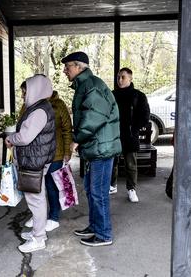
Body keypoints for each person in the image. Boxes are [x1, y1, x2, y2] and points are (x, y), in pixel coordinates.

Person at [62, 51, 121, 247]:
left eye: (68, 66)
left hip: (101, 148)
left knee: (98, 192)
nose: (65, 70)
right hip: (94, 147)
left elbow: (94, 117)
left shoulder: (92, 85)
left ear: (79, 67)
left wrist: (76, 139)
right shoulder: (86, 85)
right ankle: (95, 226)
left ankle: (104, 234)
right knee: (90, 189)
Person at [5, 74, 56, 253]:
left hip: (34, 162)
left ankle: (39, 238)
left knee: (36, 200)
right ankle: (38, 231)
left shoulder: (39, 111)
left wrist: (11, 138)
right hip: (37, 159)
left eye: (24, 92)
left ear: (35, 90)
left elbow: (25, 137)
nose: (23, 96)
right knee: (37, 199)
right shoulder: (41, 107)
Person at [24, 90, 73, 232]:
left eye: (25, 91)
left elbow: (67, 129)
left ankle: (54, 217)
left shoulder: (58, 105)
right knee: (35, 187)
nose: (23, 95)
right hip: (35, 154)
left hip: (55, 153)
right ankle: (38, 217)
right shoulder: (29, 105)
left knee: (52, 186)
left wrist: (67, 151)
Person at [110, 68, 150, 202]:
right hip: (114, 135)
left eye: (123, 77)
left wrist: (134, 128)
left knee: (130, 164)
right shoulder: (111, 95)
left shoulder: (138, 95)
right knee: (112, 162)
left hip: (130, 135)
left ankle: (131, 189)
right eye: (118, 77)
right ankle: (112, 185)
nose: (120, 80)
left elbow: (145, 115)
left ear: (130, 78)